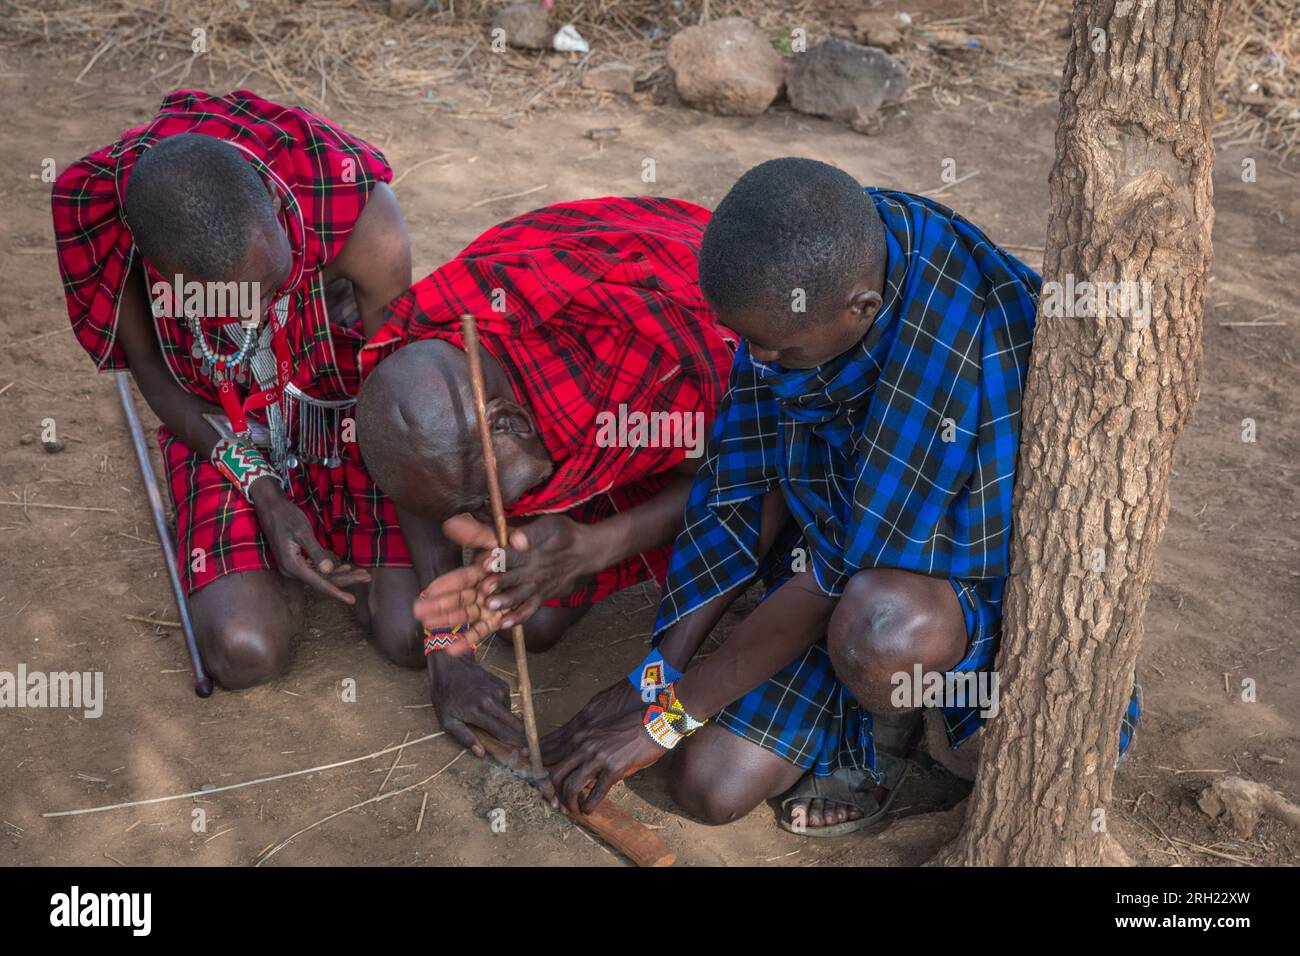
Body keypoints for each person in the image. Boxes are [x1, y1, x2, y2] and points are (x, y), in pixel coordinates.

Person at [542, 158, 1141, 833]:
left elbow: (834, 573)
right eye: (749, 344)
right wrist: (657, 675)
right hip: (842, 543)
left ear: (861, 309)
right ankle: (859, 685)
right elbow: (744, 477)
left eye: (775, 350)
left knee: (884, 627)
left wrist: (668, 717)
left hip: (957, 582)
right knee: (708, 789)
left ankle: (888, 731)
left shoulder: (946, 356)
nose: (755, 362)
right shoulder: (808, 282)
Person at [51, 90, 418, 689]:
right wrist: (267, 496)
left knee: (411, 633)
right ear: (164, 272)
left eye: (275, 281)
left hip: (343, 410)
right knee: (245, 651)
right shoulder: (114, 226)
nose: (264, 308)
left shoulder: (360, 215)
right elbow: (156, 377)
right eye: (230, 299)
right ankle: (272, 556)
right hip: (219, 426)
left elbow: (400, 403)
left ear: (275, 202)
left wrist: (451, 649)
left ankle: (320, 526)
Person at [354, 196, 735, 756]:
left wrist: (593, 547)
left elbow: (731, 485)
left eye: (481, 501)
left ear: (509, 422)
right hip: (557, 428)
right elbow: (422, 478)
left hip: (689, 312)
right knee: (529, 620)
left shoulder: (664, 379)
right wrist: (445, 646)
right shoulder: (420, 347)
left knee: (535, 610)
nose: (479, 523)